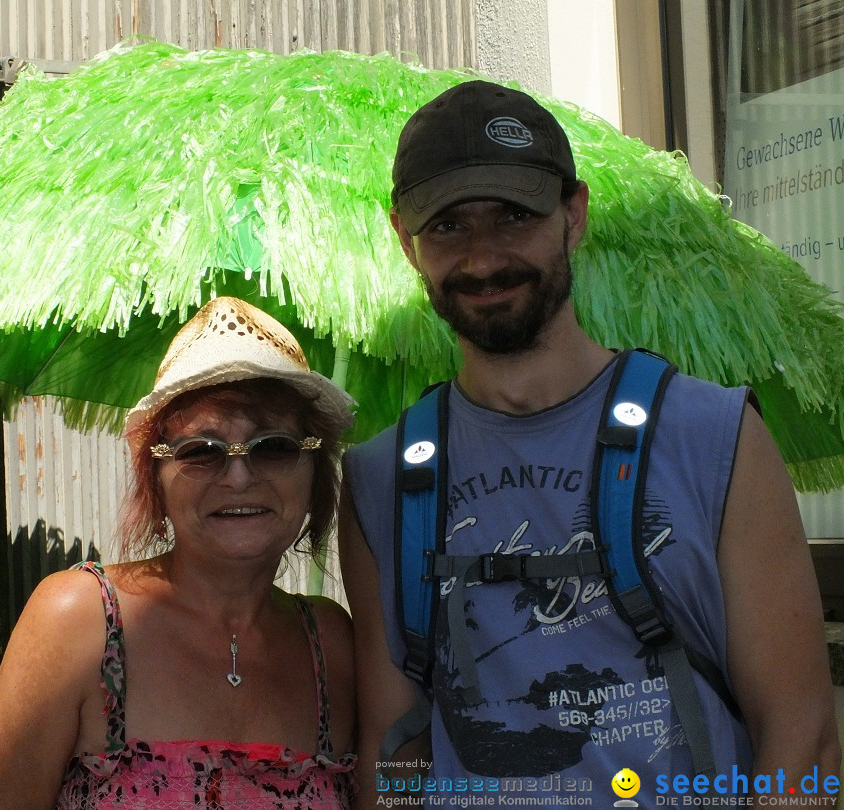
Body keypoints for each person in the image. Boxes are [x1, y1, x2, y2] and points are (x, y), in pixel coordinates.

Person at [340, 80, 840, 808]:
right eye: (448, 226)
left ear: (573, 217)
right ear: (404, 241)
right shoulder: (379, 480)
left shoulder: (716, 437)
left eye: (515, 215)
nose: (482, 259)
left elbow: (802, 742)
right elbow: (397, 751)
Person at [0, 296, 358, 809]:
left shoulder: (332, 643)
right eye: (201, 451)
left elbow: (402, 777)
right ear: (155, 478)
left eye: (275, 446)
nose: (239, 477)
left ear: (316, 470)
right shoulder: (79, 620)